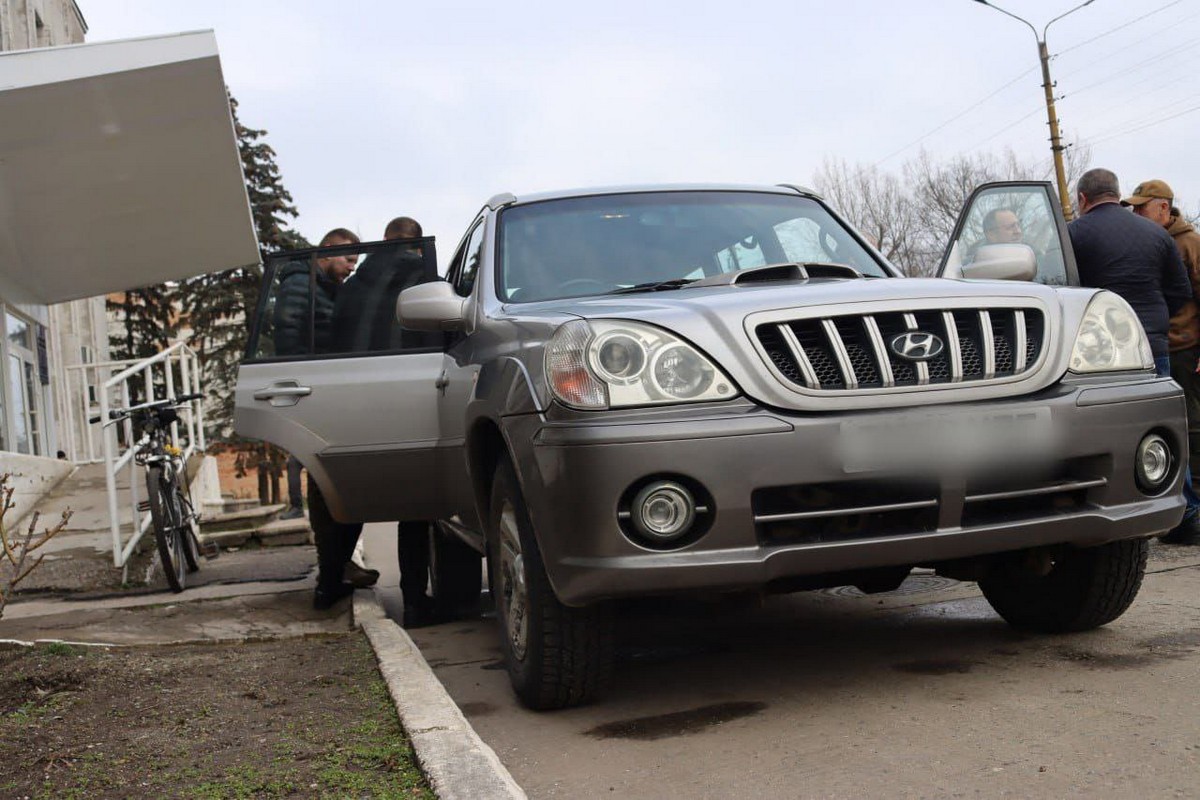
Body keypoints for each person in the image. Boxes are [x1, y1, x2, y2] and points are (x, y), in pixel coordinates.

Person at [330, 217, 439, 626]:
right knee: (416, 507)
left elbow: (337, 337)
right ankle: (414, 600)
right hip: (411, 396)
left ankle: (330, 580)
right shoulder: (424, 276)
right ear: (415, 245)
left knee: (347, 497)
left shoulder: (356, 283)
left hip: (354, 401)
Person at [273, 227, 380, 608]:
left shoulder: (322, 286)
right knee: (336, 486)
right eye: (349, 259)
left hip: (323, 392)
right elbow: (290, 336)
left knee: (334, 488)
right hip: (314, 395)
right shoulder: (301, 284)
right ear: (330, 250)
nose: (352, 268)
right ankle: (331, 575)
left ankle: (333, 571)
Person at [1126, 179, 1200, 544]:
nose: (1137, 214)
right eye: (1135, 208)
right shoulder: (1151, 243)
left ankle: (1194, 514)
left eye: (1142, 208)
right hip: (1158, 347)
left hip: (1186, 350)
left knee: (1191, 428)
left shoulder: (1189, 242)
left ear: (1163, 208)